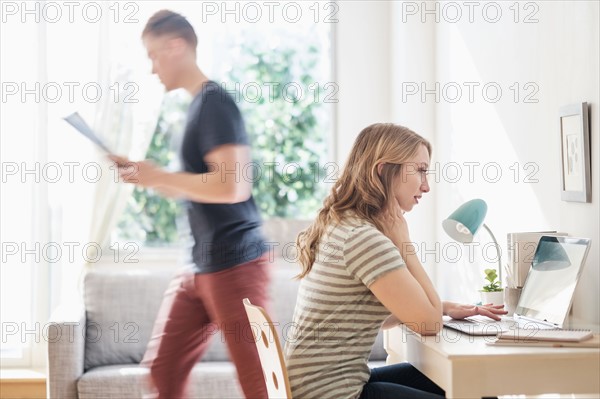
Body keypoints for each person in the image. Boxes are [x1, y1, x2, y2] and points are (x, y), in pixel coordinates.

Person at [110, 10, 269, 399]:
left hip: (235, 264)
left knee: (261, 385)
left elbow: (234, 186)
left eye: (153, 55)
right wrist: (147, 176)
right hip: (200, 265)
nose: (152, 69)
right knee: (163, 374)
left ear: (175, 46)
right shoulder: (196, 107)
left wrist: (158, 176)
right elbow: (200, 187)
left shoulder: (215, 102)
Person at [284, 123, 507, 399]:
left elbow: (363, 315)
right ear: (384, 169)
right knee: (479, 388)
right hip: (334, 393)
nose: (426, 186)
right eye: (421, 170)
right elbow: (429, 324)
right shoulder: (364, 239)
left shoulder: (342, 225)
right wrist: (404, 243)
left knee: (472, 379)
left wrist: (444, 307)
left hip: (318, 386)